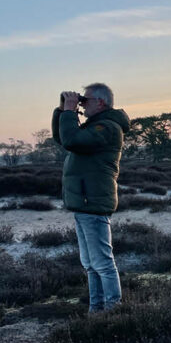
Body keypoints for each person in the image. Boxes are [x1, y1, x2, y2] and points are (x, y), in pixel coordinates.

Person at [55, 83, 130, 313]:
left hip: (93, 202)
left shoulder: (107, 127)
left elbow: (72, 141)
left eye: (85, 100)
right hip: (84, 203)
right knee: (90, 264)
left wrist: (69, 112)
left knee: (103, 264)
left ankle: (113, 310)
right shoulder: (95, 126)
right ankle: (97, 310)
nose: (82, 104)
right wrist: (62, 111)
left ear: (101, 102)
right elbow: (63, 138)